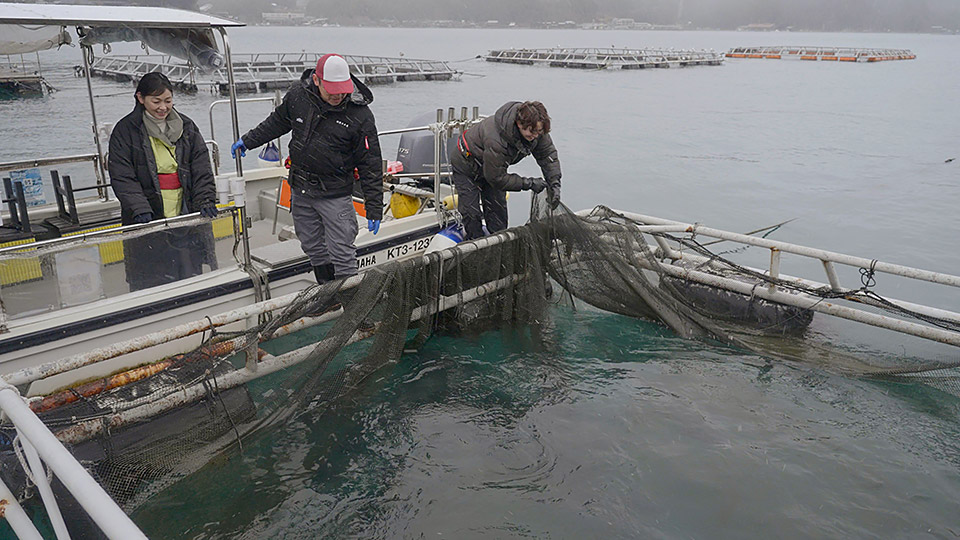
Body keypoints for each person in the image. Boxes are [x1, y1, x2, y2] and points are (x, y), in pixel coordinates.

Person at [230, 53, 383, 287]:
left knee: (342, 252)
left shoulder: (360, 115)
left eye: (342, 90)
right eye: (331, 90)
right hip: (301, 188)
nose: (337, 95)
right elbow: (277, 122)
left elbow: (370, 163)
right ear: (316, 80)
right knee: (312, 245)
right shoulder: (298, 96)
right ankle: (327, 293)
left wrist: (374, 207)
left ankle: (350, 302)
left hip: (335, 193)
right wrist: (248, 141)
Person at [108, 72, 219, 291]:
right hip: (148, 217)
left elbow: (201, 167)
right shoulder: (125, 131)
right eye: (156, 101)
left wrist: (205, 199)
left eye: (168, 101)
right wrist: (139, 208)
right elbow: (122, 175)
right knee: (151, 279)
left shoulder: (187, 126)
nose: (163, 107)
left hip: (184, 213)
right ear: (140, 98)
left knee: (190, 275)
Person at [450, 100, 562, 240]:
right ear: (519, 124)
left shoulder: (536, 130)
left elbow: (548, 156)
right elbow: (496, 179)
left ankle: (498, 247)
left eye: (539, 132)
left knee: (498, 217)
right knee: (471, 214)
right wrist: (530, 183)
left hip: (494, 168)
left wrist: (555, 184)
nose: (535, 136)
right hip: (466, 166)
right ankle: (475, 244)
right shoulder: (496, 139)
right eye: (532, 132)